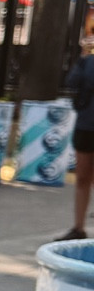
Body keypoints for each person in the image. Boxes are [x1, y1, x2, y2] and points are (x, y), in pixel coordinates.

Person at [60, 28, 94, 240]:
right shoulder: (88, 61)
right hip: (86, 125)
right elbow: (71, 82)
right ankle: (78, 228)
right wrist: (83, 56)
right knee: (82, 177)